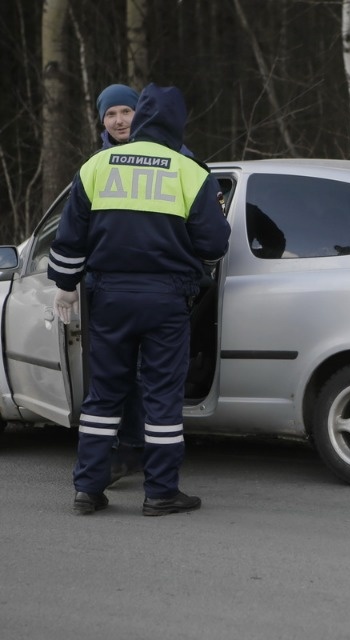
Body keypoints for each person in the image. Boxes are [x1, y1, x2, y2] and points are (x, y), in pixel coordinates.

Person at [49, 83, 231, 516]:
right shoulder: (189, 170)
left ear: (140, 117)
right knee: (162, 396)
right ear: (177, 122)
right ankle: (161, 493)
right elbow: (214, 243)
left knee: (104, 394)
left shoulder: (97, 165)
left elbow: (69, 236)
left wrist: (64, 282)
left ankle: (88, 490)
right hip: (166, 299)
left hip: (108, 297)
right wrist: (191, 260)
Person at [94, 84, 148, 483]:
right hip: (108, 287)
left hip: (156, 285)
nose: (119, 121)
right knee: (119, 375)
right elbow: (81, 227)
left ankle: (137, 449)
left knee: (144, 374)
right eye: (110, 114)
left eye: (126, 111)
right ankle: (126, 449)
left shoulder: (168, 158)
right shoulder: (96, 164)